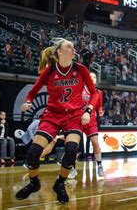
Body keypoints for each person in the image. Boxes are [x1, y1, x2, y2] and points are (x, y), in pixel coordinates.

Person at [15, 38, 98, 204]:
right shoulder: (50, 70)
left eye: (73, 47)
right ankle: (34, 183)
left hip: (74, 116)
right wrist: (28, 102)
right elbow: (34, 91)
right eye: (69, 47)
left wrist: (88, 110)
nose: (73, 49)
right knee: (33, 152)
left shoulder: (80, 69)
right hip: (52, 115)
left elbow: (94, 94)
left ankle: (60, 183)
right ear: (60, 52)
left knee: (71, 149)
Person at [81, 72, 104, 177]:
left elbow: (99, 106)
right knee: (73, 145)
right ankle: (70, 167)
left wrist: (100, 112)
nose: (93, 78)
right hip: (79, 119)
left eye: (94, 77)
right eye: (91, 77)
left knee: (96, 144)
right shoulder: (80, 89)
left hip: (91, 120)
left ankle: (100, 165)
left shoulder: (99, 92)